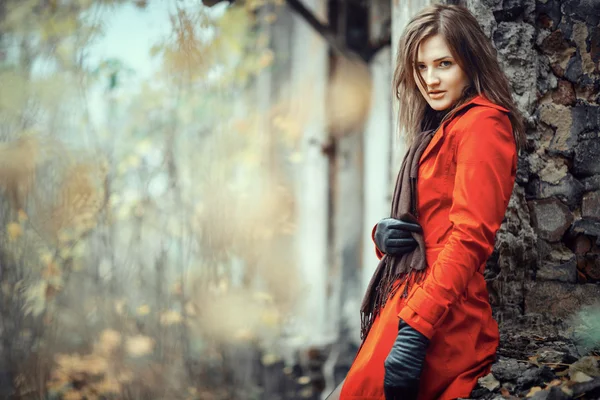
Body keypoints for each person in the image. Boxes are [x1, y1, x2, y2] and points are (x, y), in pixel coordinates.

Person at [327, 4, 526, 400]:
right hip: (407, 299)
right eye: (421, 67)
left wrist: (416, 328)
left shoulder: (483, 124)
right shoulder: (440, 125)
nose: (430, 80)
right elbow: (430, 217)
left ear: (470, 62)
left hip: (441, 315)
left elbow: (470, 238)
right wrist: (385, 236)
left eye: (444, 64)